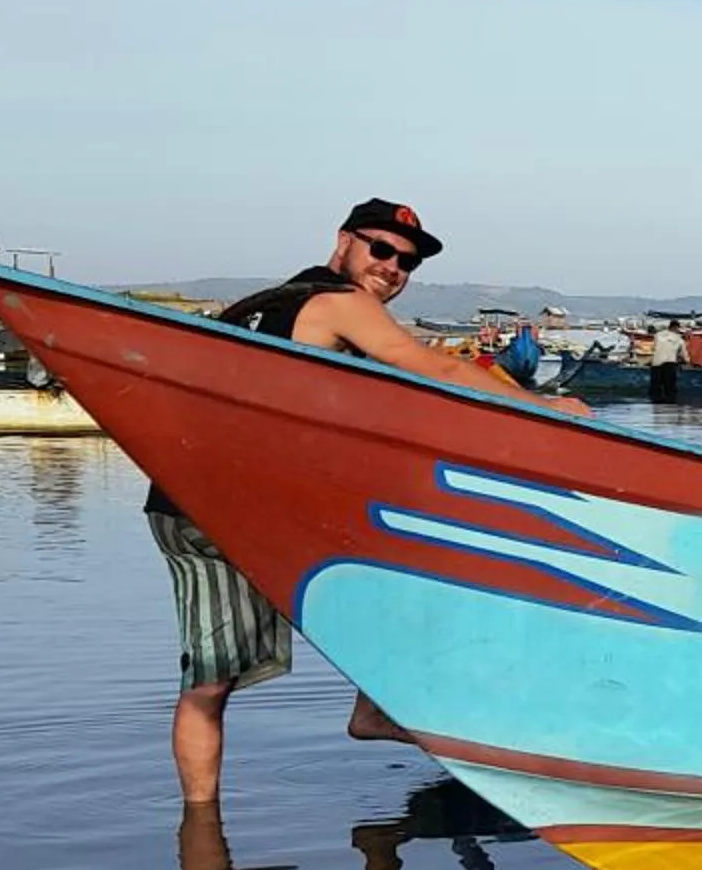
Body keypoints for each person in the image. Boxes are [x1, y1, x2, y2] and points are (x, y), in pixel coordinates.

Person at [143, 198, 593, 804]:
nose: (392, 267)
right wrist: (543, 409)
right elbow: (430, 366)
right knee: (413, 555)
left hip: (185, 504)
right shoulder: (341, 303)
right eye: (380, 249)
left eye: (406, 262)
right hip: (244, 504)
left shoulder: (265, 305)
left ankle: (200, 838)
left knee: (209, 682)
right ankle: (376, 712)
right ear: (343, 241)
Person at [648, 321, 685, 402]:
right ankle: (670, 407)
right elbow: (684, 356)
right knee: (670, 391)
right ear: (676, 328)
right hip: (669, 364)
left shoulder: (657, 335)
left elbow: (654, 348)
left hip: (656, 365)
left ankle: (656, 408)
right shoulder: (679, 339)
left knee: (655, 390)